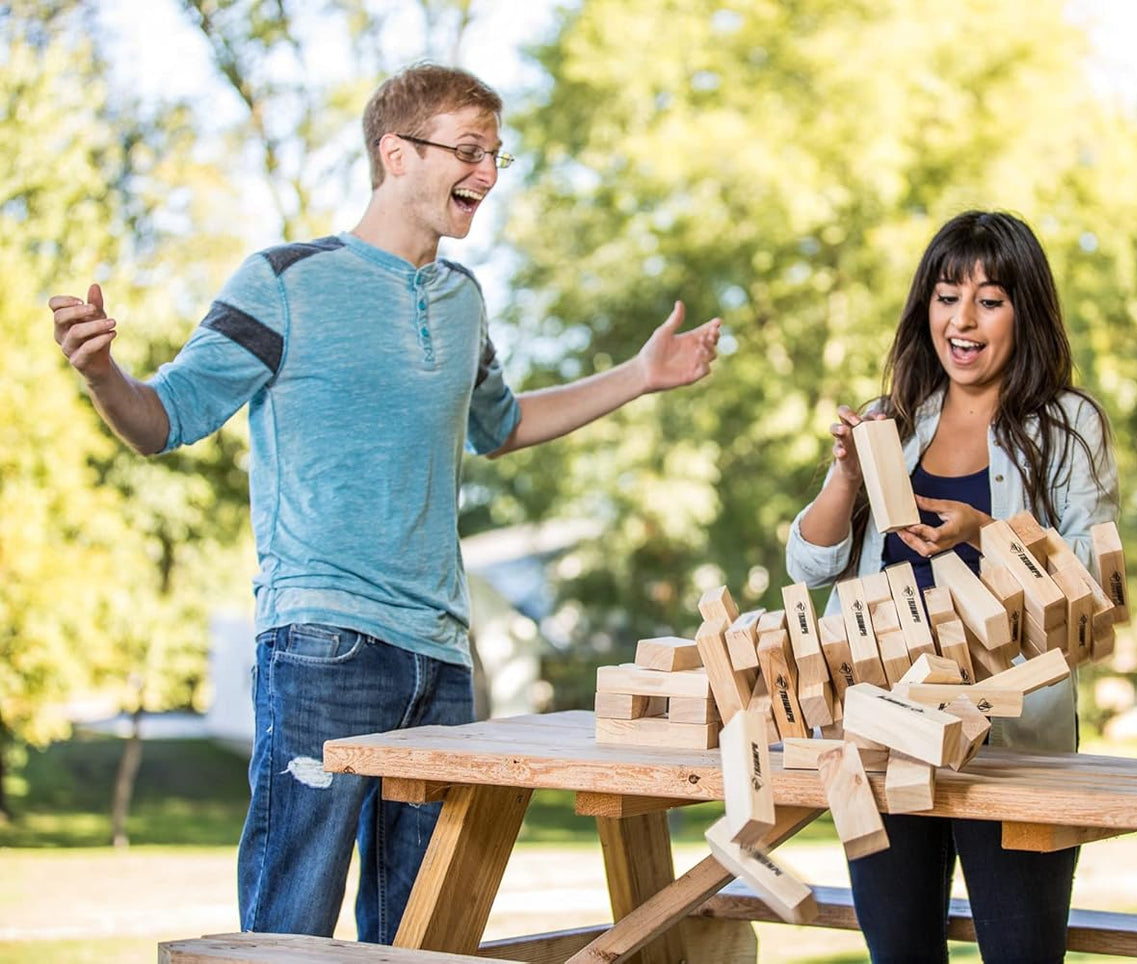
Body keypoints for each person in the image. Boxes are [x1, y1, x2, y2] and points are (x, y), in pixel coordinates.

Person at [48, 64, 722, 944]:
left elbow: (503, 425)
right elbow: (164, 419)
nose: (485, 173)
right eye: (468, 151)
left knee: (423, 933)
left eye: (494, 155)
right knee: (289, 933)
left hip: (441, 655)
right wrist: (103, 374)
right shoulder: (283, 280)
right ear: (395, 154)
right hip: (324, 642)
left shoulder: (464, 301)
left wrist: (638, 377)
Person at [785, 210, 1118, 963]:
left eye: (988, 299)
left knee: (1022, 955)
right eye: (945, 296)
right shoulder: (891, 421)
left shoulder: (1068, 427)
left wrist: (986, 534)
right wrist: (845, 473)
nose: (961, 320)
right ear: (923, 308)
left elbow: (1096, 592)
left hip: (1013, 738)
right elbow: (808, 568)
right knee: (898, 955)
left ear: (1023, 312)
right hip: (883, 728)